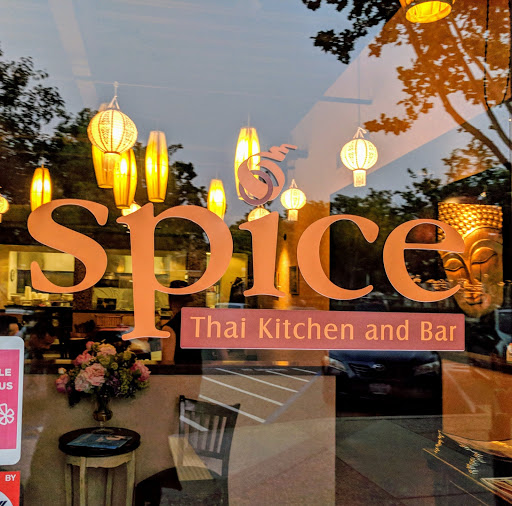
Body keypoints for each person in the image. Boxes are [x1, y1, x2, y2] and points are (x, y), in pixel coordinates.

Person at [161, 280, 202, 366]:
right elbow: (223, 357)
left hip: (182, 373)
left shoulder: (170, 329)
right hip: (204, 372)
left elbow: (167, 364)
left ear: (170, 301)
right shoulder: (203, 322)